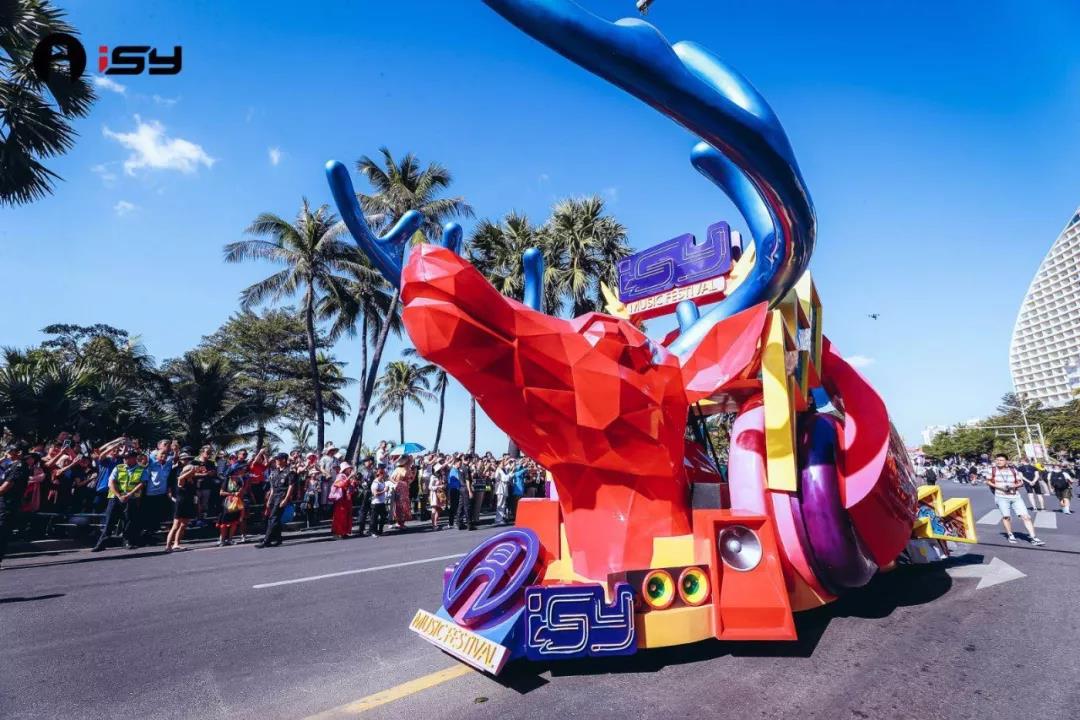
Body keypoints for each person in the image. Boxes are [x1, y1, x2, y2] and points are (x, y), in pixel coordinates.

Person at [92, 448, 146, 552]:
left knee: (128, 521)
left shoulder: (141, 469)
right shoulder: (118, 467)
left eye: (127, 458)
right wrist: (119, 495)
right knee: (110, 520)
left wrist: (129, 494)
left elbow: (141, 484)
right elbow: (111, 482)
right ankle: (101, 543)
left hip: (131, 498)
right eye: (124, 457)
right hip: (115, 497)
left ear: (134, 458)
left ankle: (127, 541)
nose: (125, 459)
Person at [987, 454, 1045, 546]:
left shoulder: (1013, 470)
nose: (998, 462)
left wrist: (1013, 486)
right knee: (1006, 517)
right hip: (1001, 497)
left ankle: (1033, 537)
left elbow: (1020, 482)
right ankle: (1010, 534)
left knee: (1026, 517)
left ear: (1006, 461)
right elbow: (988, 481)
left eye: (1001, 460)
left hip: (1015, 496)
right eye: (997, 460)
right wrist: (999, 487)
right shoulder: (992, 470)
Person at [0, 444, 32, 570]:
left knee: (2, 531)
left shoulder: (19, 466)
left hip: (9, 504)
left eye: (10, 451)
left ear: (19, 453)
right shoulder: (11, 465)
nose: (7, 453)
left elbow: (6, 486)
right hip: (4, 501)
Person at [256, 453, 296, 549]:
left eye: (278, 459)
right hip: (274, 496)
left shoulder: (290, 472)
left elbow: (291, 486)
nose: (276, 461)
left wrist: (286, 499)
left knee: (273, 518)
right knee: (274, 518)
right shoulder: (275, 472)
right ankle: (278, 538)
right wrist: (269, 500)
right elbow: (273, 488)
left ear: (284, 460)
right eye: (276, 459)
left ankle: (266, 540)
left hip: (282, 496)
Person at [166, 449, 198, 551]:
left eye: (188, 459)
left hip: (188, 500)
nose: (186, 461)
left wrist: (192, 473)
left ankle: (176, 543)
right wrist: (190, 471)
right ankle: (168, 546)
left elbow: (193, 488)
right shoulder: (178, 473)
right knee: (175, 525)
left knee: (184, 524)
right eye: (184, 459)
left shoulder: (191, 477)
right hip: (180, 500)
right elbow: (179, 480)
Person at [142, 448, 174, 543]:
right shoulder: (151, 464)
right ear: (156, 456)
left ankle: (154, 534)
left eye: (165, 454)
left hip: (162, 493)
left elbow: (174, 458)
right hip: (151, 494)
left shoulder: (168, 464)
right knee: (150, 515)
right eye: (161, 454)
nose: (164, 456)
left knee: (158, 515)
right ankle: (147, 535)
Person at [217, 465, 246, 547]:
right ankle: (222, 540)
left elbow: (241, 491)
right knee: (224, 523)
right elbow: (221, 492)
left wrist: (240, 492)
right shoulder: (227, 480)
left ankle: (230, 539)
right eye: (236, 472)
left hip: (236, 503)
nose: (237, 474)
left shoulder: (240, 481)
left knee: (234, 522)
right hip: (227, 504)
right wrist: (232, 494)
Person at [329, 462, 355, 539]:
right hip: (341, 498)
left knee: (346, 515)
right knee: (340, 515)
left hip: (346, 498)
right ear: (345, 469)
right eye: (348, 468)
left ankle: (344, 532)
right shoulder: (340, 476)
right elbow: (340, 484)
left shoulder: (346, 476)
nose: (350, 470)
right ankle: (338, 532)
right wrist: (350, 477)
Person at [391, 456, 413, 530]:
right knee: (399, 505)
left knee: (405, 505)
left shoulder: (408, 469)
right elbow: (391, 478)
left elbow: (411, 479)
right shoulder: (398, 469)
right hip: (399, 487)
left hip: (405, 487)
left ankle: (402, 522)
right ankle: (399, 522)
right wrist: (396, 483)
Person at [354, 455, 375, 536]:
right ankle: (361, 530)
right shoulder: (361, 470)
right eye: (367, 461)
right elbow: (357, 480)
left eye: (370, 461)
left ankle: (371, 529)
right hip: (363, 492)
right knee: (363, 511)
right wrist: (363, 483)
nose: (369, 463)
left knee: (372, 511)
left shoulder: (373, 470)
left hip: (371, 491)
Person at [369, 467, 389, 537]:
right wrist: (384, 490)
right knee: (374, 519)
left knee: (383, 517)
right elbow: (375, 494)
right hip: (376, 503)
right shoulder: (375, 483)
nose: (385, 475)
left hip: (382, 502)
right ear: (380, 474)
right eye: (384, 474)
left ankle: (380, 531)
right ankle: (373, 532)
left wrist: (385, 490)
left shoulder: (382, 481)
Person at [428, 464, 446, 530]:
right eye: (440, 469)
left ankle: (436, 523)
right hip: (434, 494)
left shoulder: (440, 477)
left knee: (439, 509)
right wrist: (438, 486)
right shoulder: (433, 477)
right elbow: (430, 487)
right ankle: (433, 524)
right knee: (434, 509)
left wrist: (443, 485)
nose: (441, 470)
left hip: (440, 494)